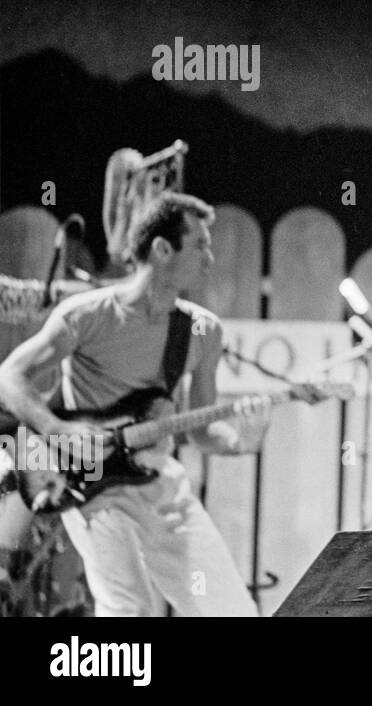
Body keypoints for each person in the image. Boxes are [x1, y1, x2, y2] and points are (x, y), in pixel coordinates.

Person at [0, 192, 267, 615]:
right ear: (162, 249)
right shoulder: (87, 314)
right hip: (93, 489)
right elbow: (9, 376)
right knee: (130, 612)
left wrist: (242, 440)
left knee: (231, 610)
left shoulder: (202, 332)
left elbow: (201, 429)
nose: (210, 258)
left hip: (160, 483)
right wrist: (55, 429)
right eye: (200, 244)